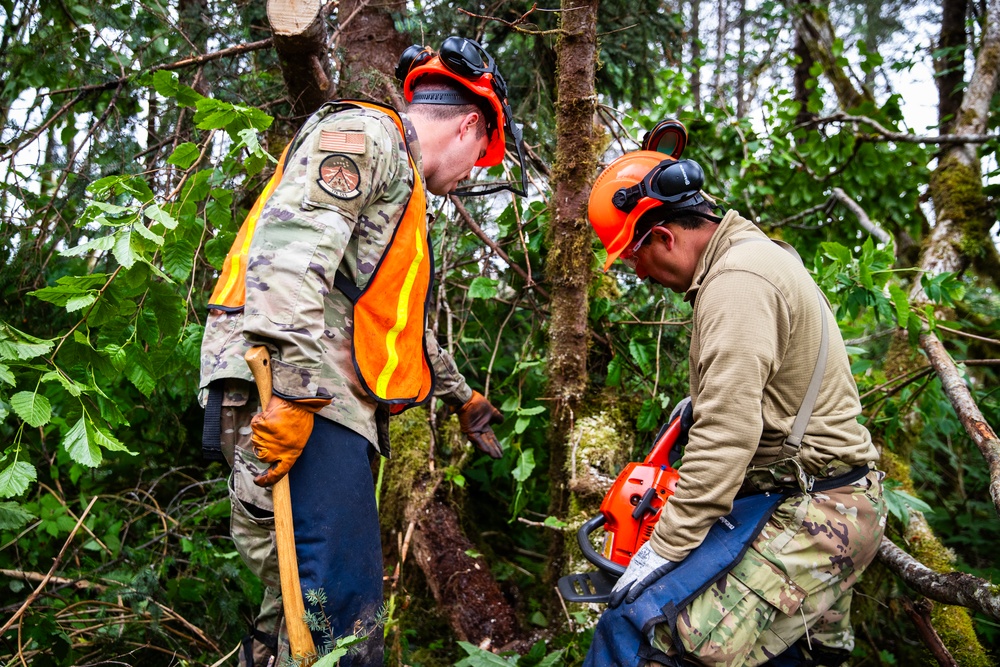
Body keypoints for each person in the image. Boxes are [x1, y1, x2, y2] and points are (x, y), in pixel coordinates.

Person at [198, 36, 522, 667]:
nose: (466, 178)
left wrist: (462, 396)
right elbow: (288, 259)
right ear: (469, 126)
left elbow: (386, 320)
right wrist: (289, 393)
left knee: (294, 612)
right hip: (304, 391)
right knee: (342, 620)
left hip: (325, 394)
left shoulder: (403, 186)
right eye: (479, 157)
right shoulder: (364, 137)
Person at [584, 151, 887, 667]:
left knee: (639, 636)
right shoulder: (756, 256)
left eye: (634, 258)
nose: (639, 273)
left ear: (664, 238)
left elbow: (725, 439)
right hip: (816, 493)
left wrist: (660, 552)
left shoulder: (737, 281)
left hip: (812, 509)